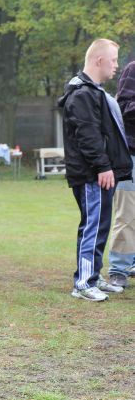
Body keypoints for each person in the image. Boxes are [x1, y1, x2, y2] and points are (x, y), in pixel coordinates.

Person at [59, 38, 131, 301]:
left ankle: (93, 275)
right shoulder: (82, 94)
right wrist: (102, 167)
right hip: (91, 174)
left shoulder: (95, 92)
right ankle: (83, 283)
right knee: (92, 225)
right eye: (113, 60)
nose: (116, 66)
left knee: (100, 225)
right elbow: (87, 135)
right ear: (99, 60)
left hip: (99, 172)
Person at [106, 60, 135, 288]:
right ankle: (119, 269)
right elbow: (123, 108)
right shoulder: (132, 69)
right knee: (127, 214)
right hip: (131, 156)